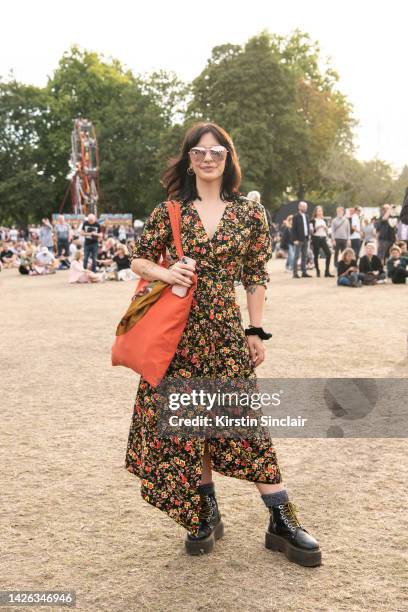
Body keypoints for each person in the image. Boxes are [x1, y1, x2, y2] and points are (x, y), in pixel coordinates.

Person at [126, 121, 321, 567]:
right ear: (189, 159)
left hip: (225, 332)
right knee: (189, 425)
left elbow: (254, 274)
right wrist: (165, 272)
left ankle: (281, 517)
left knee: (244, 423)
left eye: (218, 151)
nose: (209, 158)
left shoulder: (250, 214)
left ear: (228, 158)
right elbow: (138, 259)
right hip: (177, 335)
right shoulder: (169, 212)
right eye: (200, 151)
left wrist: (255, 330)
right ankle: (205, 508)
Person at [309, 206, 334, 277]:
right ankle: (318, 271)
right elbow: (311, 231)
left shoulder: (324, 221)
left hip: (323, 238)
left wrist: (326, 228)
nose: (320, 212)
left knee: (329, 253)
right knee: (316, 255)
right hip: (316, 238)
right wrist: (317, 227)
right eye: (319, 211)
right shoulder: (312, 220)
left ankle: (327, 271)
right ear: (316, 212)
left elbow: (327, 231)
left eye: (321, 211)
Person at [291, 201, 312, 278]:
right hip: (298, 240)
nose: (305, 208)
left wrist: (309, 236)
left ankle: (304, 272)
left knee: (304, 256)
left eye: (305, 207)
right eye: (303, 206)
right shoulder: (296, 216)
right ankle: (295, 273)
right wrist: (295, 239)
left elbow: (307, 227)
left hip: (306, 238)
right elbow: (293, 229)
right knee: (296, 256)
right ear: (299, 207)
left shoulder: (306, 216)